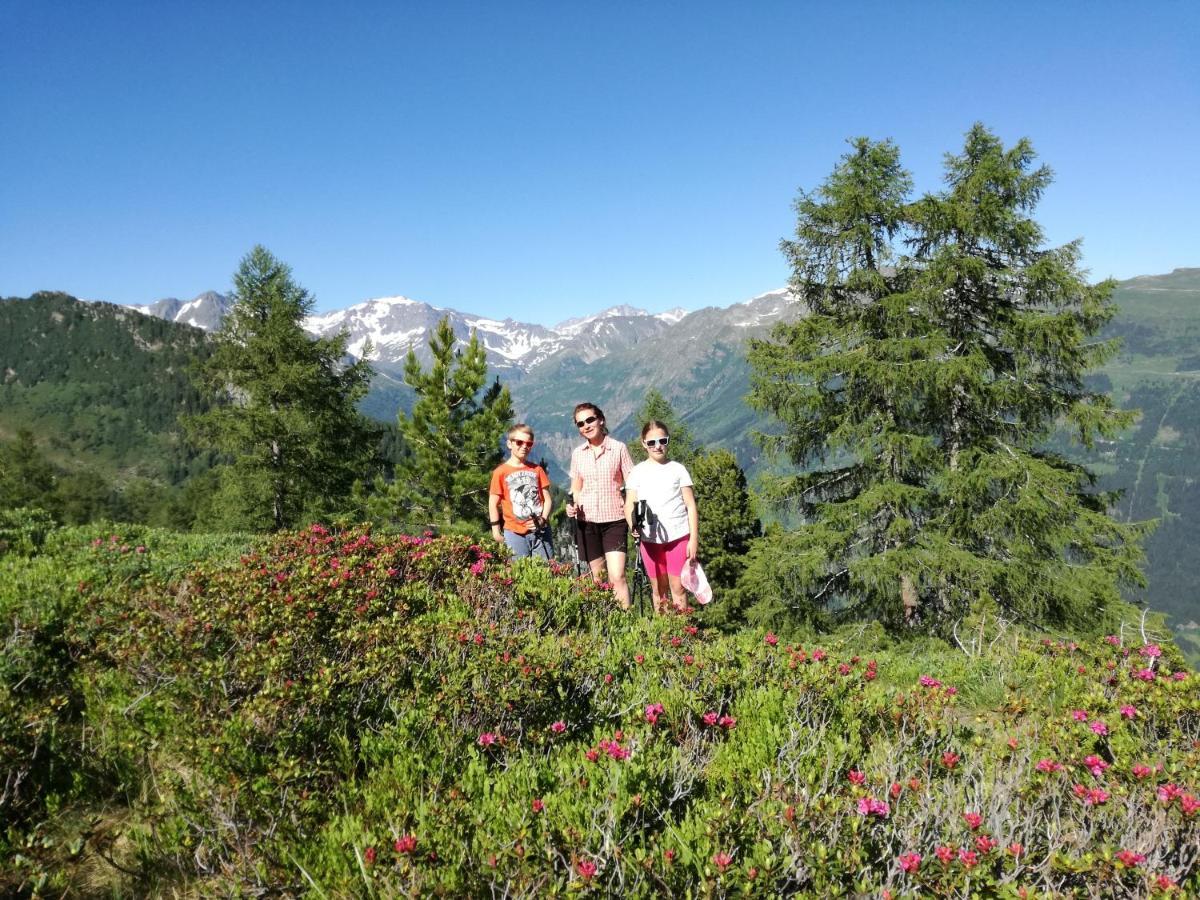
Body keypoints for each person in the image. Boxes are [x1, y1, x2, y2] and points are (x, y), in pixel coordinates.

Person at [624, 420, 698, 614]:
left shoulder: (678, 469)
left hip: (678, 537)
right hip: (649, 539)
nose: (657, 446)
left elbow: (690, 505)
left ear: (667, 441)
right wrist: (633, 524)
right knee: (658, 590)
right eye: (651, 442)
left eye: (662, 440)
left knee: (679, 588)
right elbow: (629, 503)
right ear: (644, 444)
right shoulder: (637, 472)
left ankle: (682, 633)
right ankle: (664, 635)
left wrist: (693, 540)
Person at [566, 402, 634, 609]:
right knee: (598, 578)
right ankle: (604, 622)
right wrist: (573, 506)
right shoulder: (578, 454)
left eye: (589, 420)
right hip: (586, 523)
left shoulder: (619, 448)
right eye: (580, 423)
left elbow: (632, 485)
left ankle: (625, 622)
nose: (585, 426)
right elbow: (576, 487)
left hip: (615, 520)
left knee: (617, 575)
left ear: (601, 420)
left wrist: (632, 515)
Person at [489, 423, 553, 559]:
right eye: (519, 442)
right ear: (509, 444)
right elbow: (493, 503)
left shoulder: (537, 470)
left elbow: (547, 499)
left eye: (529, 444)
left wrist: (543, 519)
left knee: (546, 572)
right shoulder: (500, 472)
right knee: (518, 573)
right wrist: (496, 531)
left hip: (541, 532)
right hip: (514, 533)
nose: (524, 446)